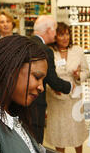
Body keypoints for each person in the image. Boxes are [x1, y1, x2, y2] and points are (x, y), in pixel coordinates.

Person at [46, 22, 90, 153]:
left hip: (74, 97)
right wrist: (52, 88)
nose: (65, 38)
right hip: (56, 98)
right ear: (55, 36)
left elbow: (86, 71)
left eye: (67, 34)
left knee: (76, 129)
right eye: (61, 34)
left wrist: (79, 76)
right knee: (60, 131)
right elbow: (45, 75)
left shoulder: (77, 50)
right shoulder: (49, 52)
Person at [30, 15, 72, 144]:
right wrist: (69, 86)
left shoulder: (26, 42)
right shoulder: (45, 50)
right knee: (36, 142)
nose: (55, 34)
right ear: (49, 30)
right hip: (36, 104)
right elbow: (51, 79)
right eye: (55, 30)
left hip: (24, 104)